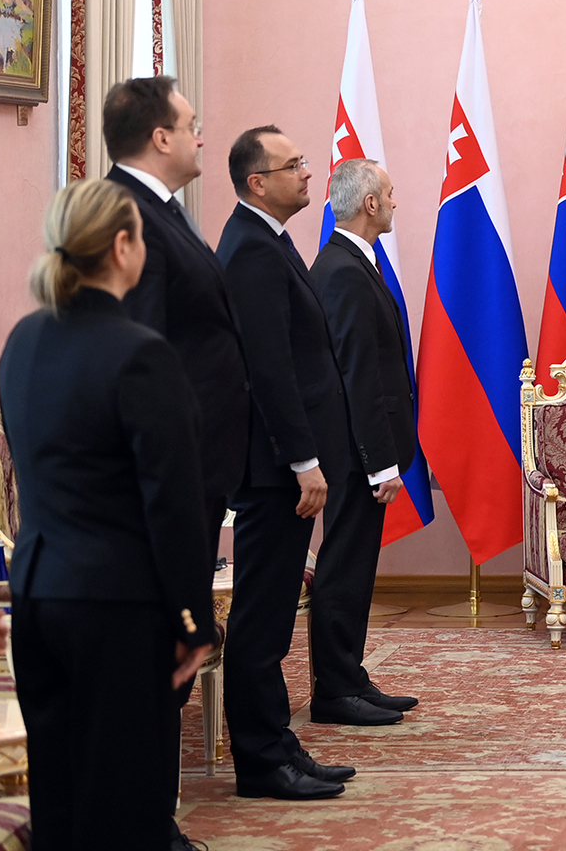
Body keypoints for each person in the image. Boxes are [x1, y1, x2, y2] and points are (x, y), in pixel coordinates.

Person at [0, 179, 215, 847]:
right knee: (124, 802)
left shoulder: (23, 341)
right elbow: (174, 504)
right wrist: (192, 620)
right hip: (116, 610)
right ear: (123, 247)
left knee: (58, 794)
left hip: (38, 598)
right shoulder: (141, 352)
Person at [217, 126, 362, 802]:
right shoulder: (250, 249)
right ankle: (260, 759)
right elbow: (269, 366)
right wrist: (303, 459)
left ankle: (276, 743)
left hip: (285, 464)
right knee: (262, 616)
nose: (309, 173)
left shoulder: (269, 240)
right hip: (274, 467)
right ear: (258, 182)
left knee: (274, 614)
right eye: (294, 165)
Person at [103, 76, 252, 574]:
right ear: (161, 138)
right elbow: (141, 347)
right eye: (193, 127)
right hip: (173, 465)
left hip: (199, 459)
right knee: (170, 608)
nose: (201, 139)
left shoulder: (163, 208)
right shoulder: (128, 214)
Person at [308, 159, 420, 717]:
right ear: (370, 204)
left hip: (359, 449)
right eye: (391, 194)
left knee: (355, 567)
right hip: (354, 453)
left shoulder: (354, 262)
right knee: (343, 569)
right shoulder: (343, 270)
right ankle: (333, 691)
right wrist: (380, 462)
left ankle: (350, 676)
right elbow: (359, 371)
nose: (396, 202)